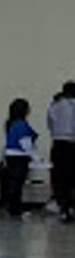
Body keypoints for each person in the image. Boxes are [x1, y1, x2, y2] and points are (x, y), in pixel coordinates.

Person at [4, 98, 39, 218]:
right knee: (17, 184)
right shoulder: (22, 125)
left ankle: (12, 207)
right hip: (19, 158)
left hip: (11, 157)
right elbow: (26, 144)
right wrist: (36, 158)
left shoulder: (11, 124)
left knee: (14, 183)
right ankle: (16, 209)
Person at [48, 81, 75, 223]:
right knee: (71, 177)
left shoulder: (55, 105)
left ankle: (62, 207)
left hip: (58, 144)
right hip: (72, 144)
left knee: (60, 176)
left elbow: (50, 123)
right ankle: (70, 206)